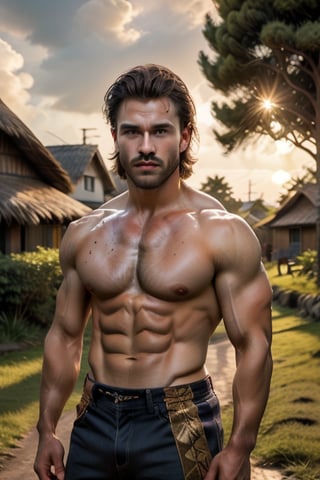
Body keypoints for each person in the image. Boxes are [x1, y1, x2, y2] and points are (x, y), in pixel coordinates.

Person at [34, 64, 273, 480]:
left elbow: (254, 345)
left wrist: (240, 446)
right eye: (132, 131)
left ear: (183, 137)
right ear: (115, 138)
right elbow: (65, 335)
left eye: (160, 131)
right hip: (94, 419)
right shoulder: (83, 233)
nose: (146, 145)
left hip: (181, 423)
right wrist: (46, 429)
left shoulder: (222, 233)